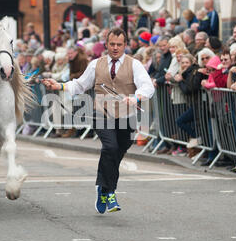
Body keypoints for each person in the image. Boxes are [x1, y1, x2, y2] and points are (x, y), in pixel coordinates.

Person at [42, 27, 154, 214]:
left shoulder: (134, 65)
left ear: (125, 45)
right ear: (106, 44)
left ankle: (102, 187)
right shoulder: (96, 64)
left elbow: (148, 86)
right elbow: (80, 84)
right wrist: (59, 85)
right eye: (112, 44)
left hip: (127, 115)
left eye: (119, 44)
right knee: (109, 148)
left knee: (117, 153)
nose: (115, 48)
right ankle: (110, 193)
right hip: (101, 112)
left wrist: (136, 97)